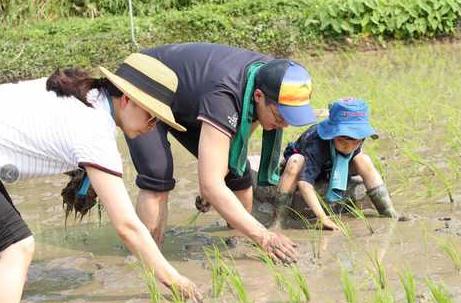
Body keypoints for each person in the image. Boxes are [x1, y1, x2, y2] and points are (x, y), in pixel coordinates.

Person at [0, 54, 202, 303]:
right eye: (152, 116)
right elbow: (127, 226)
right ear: (127, 100)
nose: (153, 126)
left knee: (8, 264)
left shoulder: (86, 96)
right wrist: (174, 279)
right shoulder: (95, 130)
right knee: (16, 248)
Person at [124, 43, 316, 263]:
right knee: (157, 174)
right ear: (259, 96)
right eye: (279, 116)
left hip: (190, 99)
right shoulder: (225, 95)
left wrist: (214, 183)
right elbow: (211, 184)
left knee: (237, 173)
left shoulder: (270, 76)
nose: (283, 126)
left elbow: (235, 146)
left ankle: (237, 246)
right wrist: (264, 236)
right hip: (146, 84)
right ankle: (147, 260)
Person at [275, 98, 398, 230]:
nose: (349, 147)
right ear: (332, 134)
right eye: (343, 141)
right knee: (295, 161)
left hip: (337, 166)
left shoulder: (357, 141)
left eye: (356, 141)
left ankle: (388, 212)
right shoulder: (316, 142)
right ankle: (279, 220)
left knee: (364, 160)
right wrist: (323, 218)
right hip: (309, 165)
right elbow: (304, 184)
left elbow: (358, 157)